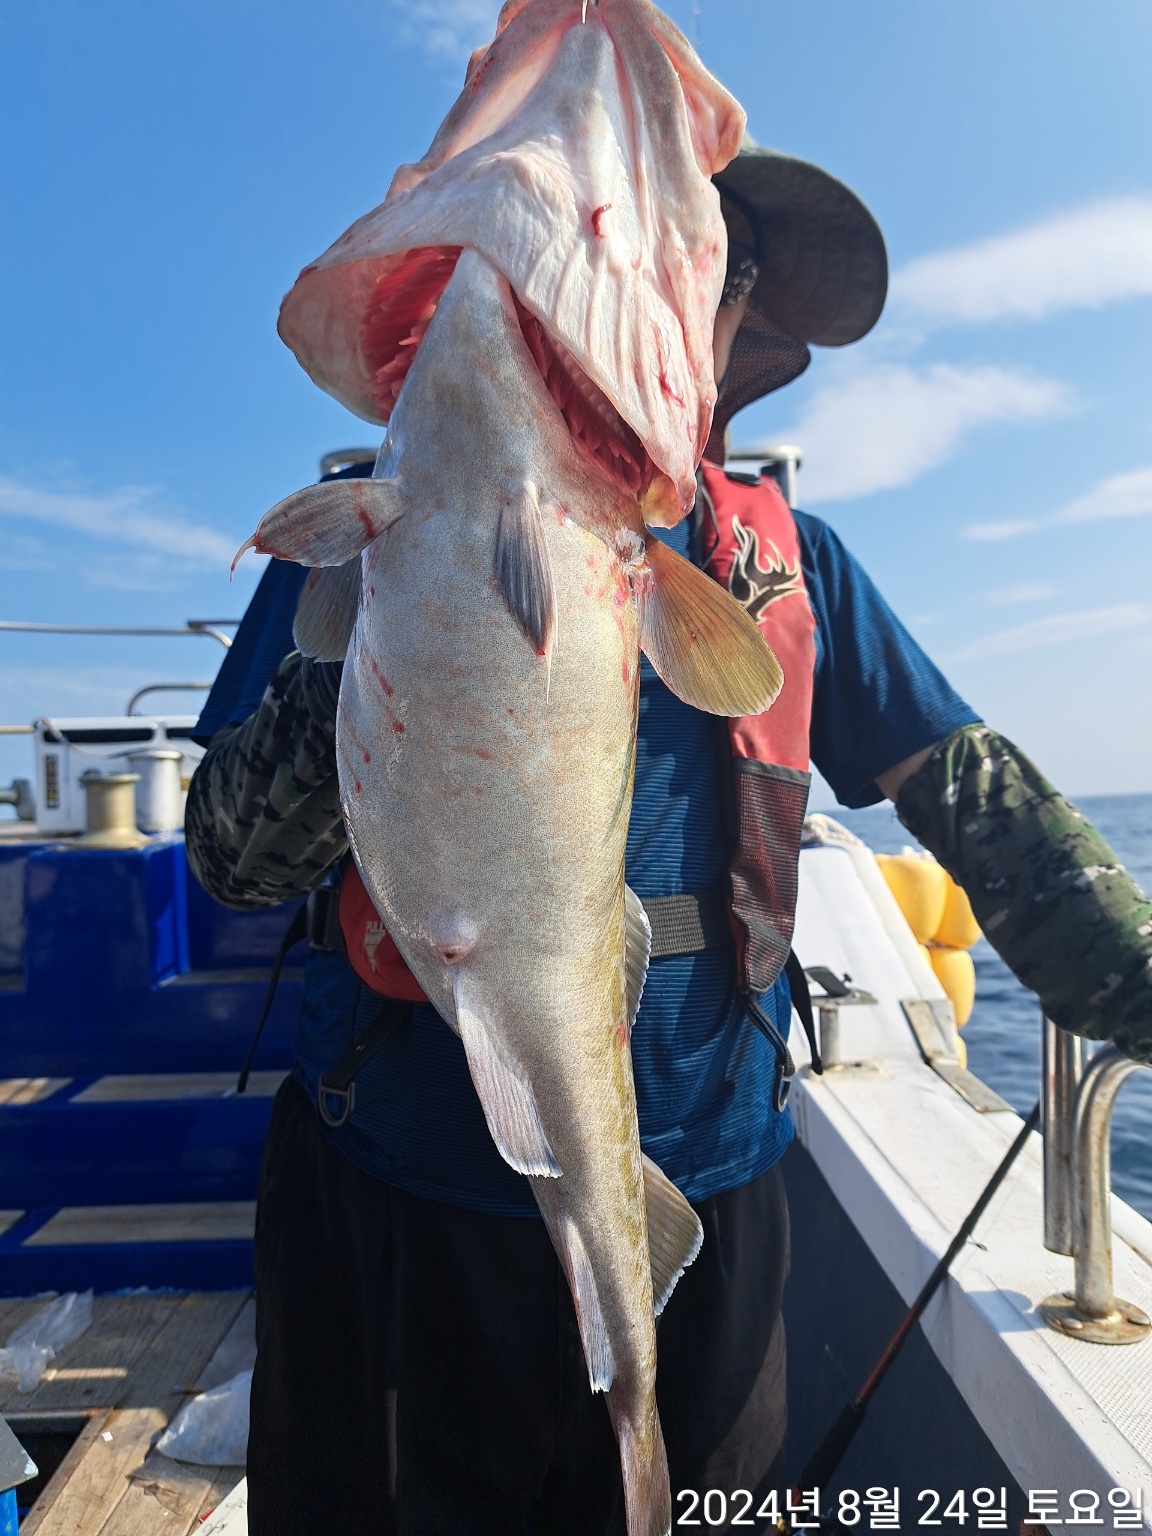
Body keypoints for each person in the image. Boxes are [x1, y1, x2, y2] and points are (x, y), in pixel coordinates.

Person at [186, 143, 1152, 1536]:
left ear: (723, 325)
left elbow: (986, 805)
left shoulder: (792, 562)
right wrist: (412, 613)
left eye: (710, 257)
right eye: (618, 241)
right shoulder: (370, 529)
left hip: (708, 1170)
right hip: (398, 1176)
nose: (656, 271)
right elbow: (229, 858)